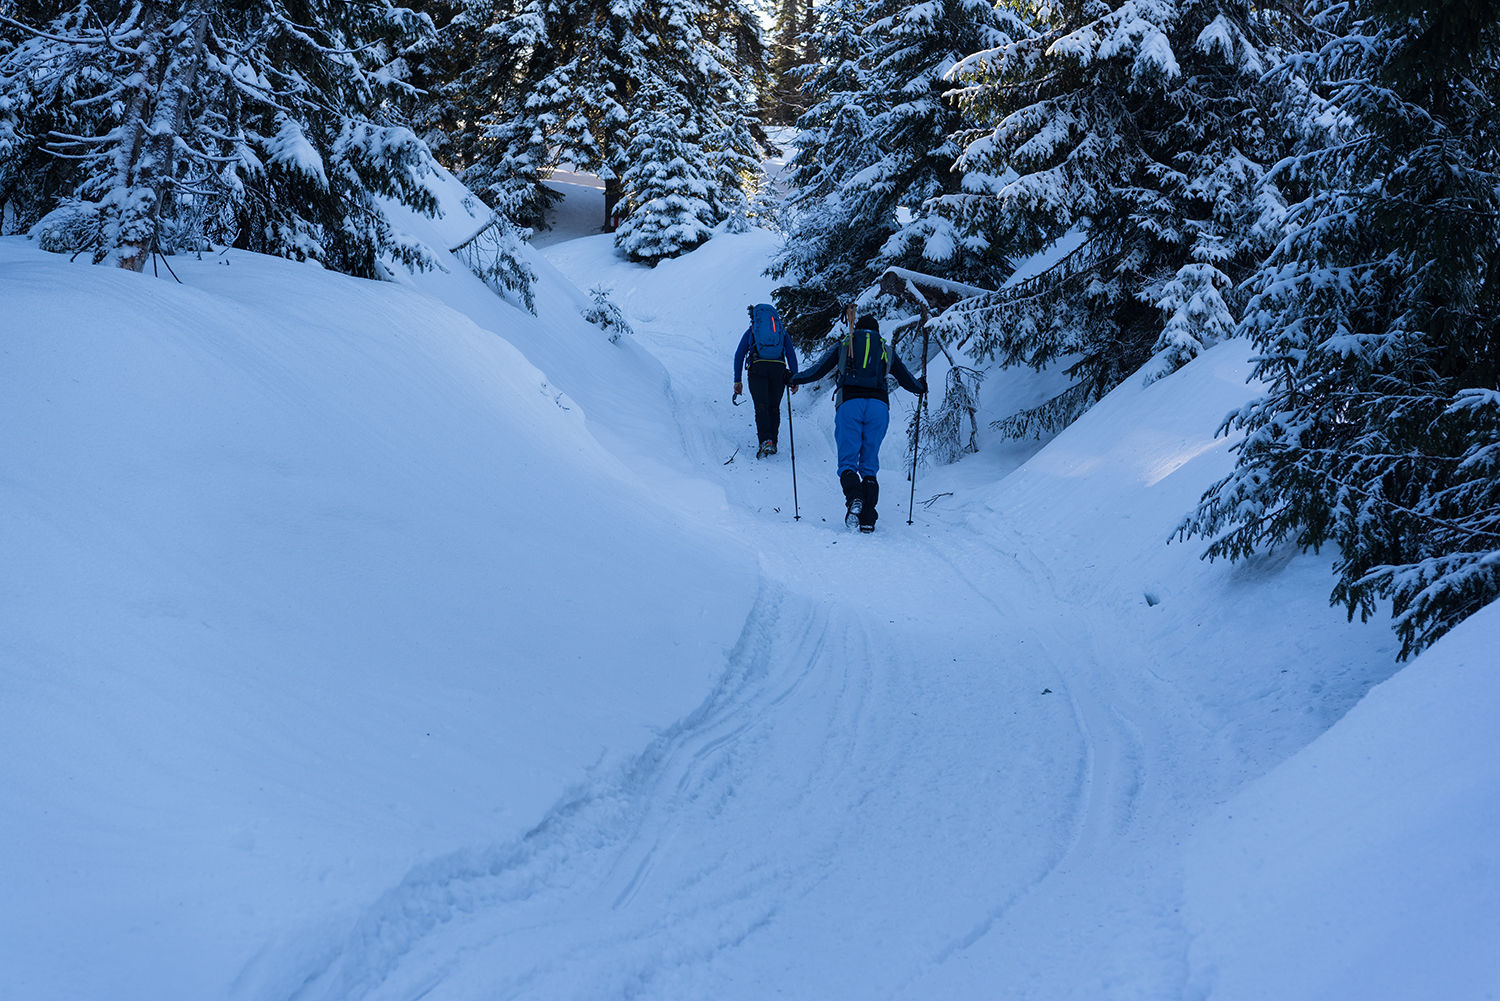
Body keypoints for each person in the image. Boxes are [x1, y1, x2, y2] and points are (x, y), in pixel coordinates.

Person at [791, 314, 925, 532]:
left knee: (847, 461)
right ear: (876, 331)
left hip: (849, 404)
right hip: (879, 407)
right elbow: (906, 378)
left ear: (858, 328)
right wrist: (920, 387)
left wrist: (794, 378)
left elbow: (819, 369)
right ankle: (868, 519)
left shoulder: (846, 344)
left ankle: (854, 498)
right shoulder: (885, 349)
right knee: (869, 464)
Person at [733, 304, 800, 458]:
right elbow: (791, 353)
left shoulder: (752, 331)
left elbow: (739, 354)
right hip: (779, 368)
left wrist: (737, 380)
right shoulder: (781, 332)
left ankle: (766, 441)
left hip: (757, 368)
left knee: (761, 405)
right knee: (774, 406)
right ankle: (773, 442)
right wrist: (795, 378)